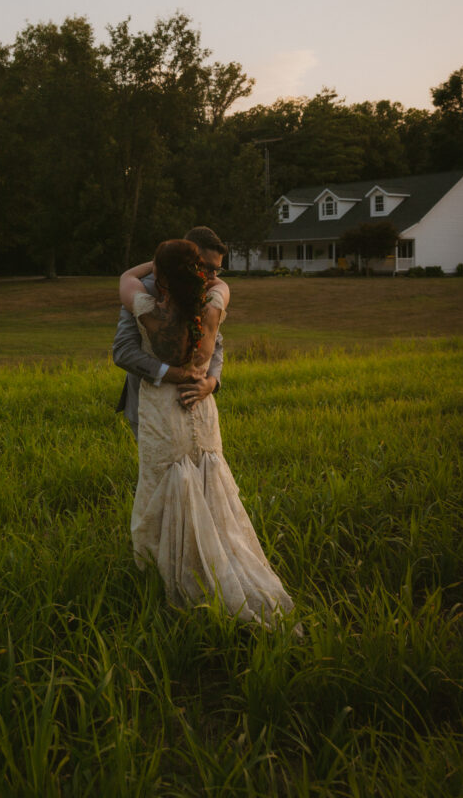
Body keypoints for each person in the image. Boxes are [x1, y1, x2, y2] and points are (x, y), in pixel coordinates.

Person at [119, 238, 296, 626]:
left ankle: (166, 573)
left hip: (168, 408)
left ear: (161, 275)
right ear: (198, 271)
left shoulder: (146, 305)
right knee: (205, 479)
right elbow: (124, 351)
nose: (216, 274)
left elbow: (126, 277)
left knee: (162, 484)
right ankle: (216, 562)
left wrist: (210, 381)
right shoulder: (215, 301)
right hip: (200, 411)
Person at [113, 226, 226, 439]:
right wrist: (173, 374)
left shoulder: (208, 292)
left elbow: (216, 342)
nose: (212, 277)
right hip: (150, 406)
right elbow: (123, 351)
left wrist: (211, 383)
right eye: (207, 268)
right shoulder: (143, 289)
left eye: (217, 271)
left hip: (197, 404)